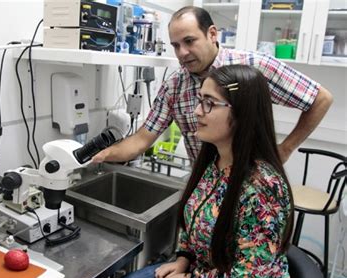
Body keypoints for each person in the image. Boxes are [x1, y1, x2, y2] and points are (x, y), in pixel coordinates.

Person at [111, 65, 294, 278]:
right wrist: (184, 258)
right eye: (199, 101)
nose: (196, 111)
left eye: (209, 104)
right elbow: (192, 216)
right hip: (207, 269)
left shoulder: (262, 188)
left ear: (242, 113)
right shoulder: (214, 162)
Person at [93, 6, 332, 166]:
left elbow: (321, 98)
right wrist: (99, 155)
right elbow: (141, 139)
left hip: (250, 189)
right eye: (175, 45)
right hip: (205, 190)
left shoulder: (253, 68)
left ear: (212, 34)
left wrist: (286, 149)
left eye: (189, 41)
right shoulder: (175, 86)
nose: (182, 53)